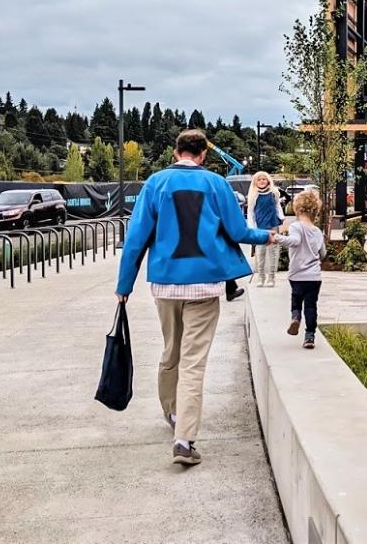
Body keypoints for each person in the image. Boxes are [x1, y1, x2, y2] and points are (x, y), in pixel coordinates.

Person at [115, 129, 273, 466]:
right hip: (204, 287)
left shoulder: (155, 184)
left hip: (166, 284)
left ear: (176, 152)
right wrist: (268, 237)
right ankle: (184, 441)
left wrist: (124, 285)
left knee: (170, 350)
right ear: (203, 155)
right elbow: (238, 232)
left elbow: (136, 239)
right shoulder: (218, 185)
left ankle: (171, 413)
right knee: (193, 362)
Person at [274, 190, 327, 349]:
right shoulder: (317, 231)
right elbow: (323, 253)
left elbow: (294, 241)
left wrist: (276, 237)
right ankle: (309, 337)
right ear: (315, 211)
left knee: (296, 299)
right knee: (311, 306)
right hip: (314, 277)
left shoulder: (296, 226)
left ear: (297, 208)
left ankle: (295, 317)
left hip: (297, 274)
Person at [247, 171, 284, 287]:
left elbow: (277, 206)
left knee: (272, 252)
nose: (262, 181)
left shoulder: (274, 193)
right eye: (259, 179)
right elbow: (251, 212)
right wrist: (252, 227)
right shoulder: (254, 195)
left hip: (272, 224)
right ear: (255, 182)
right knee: (260, 252)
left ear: (268, 180)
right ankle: (261, 277)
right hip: (259, 227)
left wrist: (282, 217)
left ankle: (271, 277)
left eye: (264, 179)